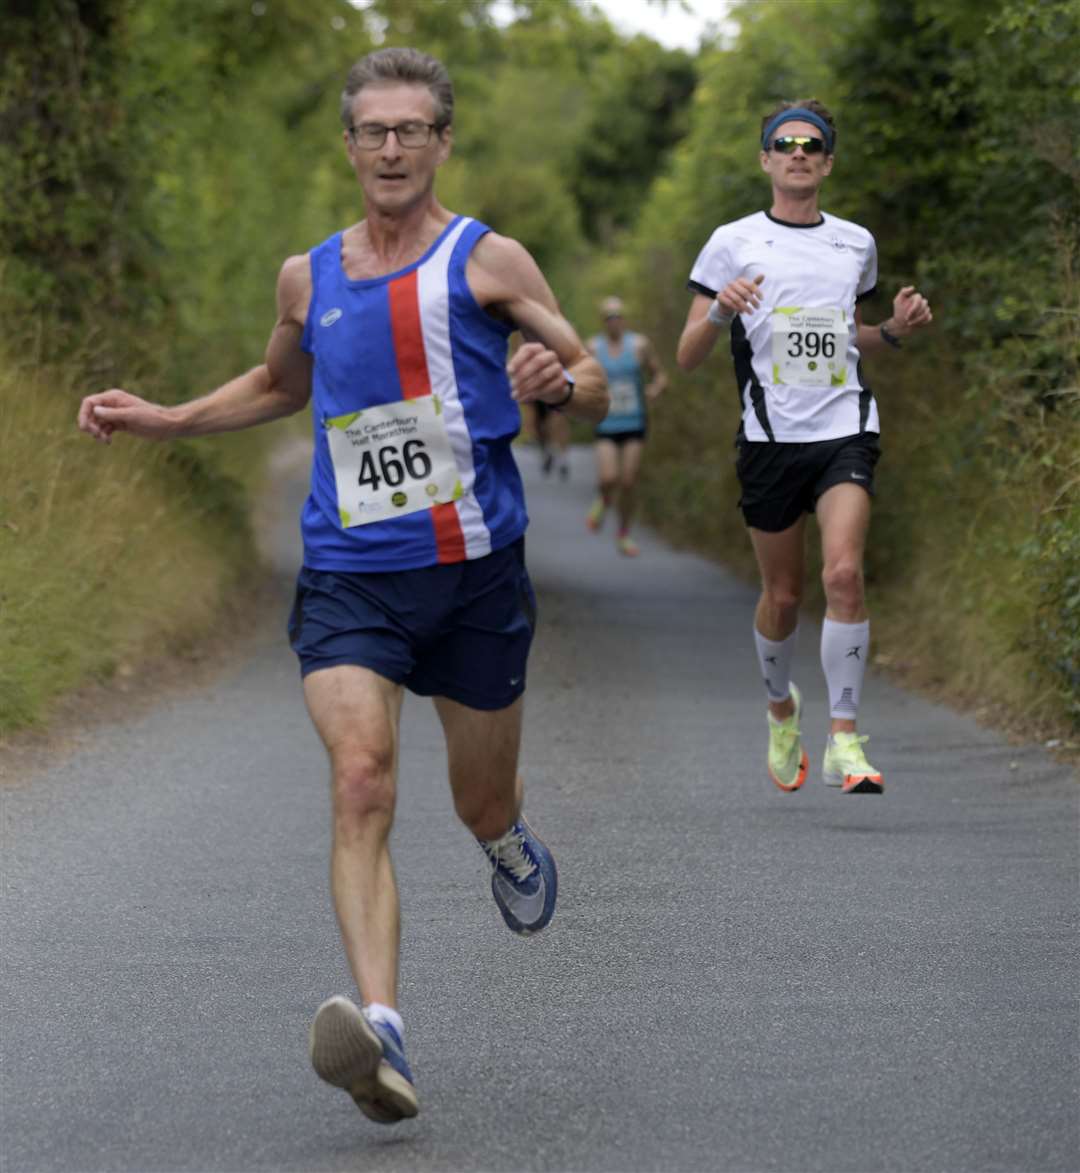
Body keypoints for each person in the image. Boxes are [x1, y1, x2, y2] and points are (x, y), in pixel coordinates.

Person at [77, 47, 607, 1124]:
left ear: (443, 141)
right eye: (374, 130)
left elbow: (587, 374)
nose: (393, 148)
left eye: (413, 129)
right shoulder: (307, 276)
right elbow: (281, 382)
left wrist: (564, 380)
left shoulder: (489, 260)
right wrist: (169, 418)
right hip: (350, 575)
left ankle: (505, 841)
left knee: (478, 798)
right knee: (361, 778)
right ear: (352, 144)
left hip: (473, 578)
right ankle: (382, 1031)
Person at [676, 99, 931, 795]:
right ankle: (780, 707)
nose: (798, 152)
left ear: (826, 161)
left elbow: (854, 336)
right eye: (784, 143)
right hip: (769, 439)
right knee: (783, 596)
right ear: (765, 158)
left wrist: (898, 329)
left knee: (843, 575)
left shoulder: (854, 243)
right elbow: (688, 353)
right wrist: (722, 308)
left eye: (811, 144)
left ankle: (845, 735)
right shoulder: (732, 241)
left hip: (844, 428)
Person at [585, 296, 667, 556]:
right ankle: (604, 499)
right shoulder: (592, 347)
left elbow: (660, 374)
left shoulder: (640, 345)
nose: (614, 321)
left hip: (634, 422)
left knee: (628, 481)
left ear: (624, 319)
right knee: (609, 477)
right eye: (609, 317)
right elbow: (582, 379)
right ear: (603, 321)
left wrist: (655, 389)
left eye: (618, 315)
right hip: (606, 422)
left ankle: (623, 534)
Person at [532, 398, 571, 479]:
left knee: (557, 418)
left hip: (557, 389)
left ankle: (562, 457)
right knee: (538, 422)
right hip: (536, 392)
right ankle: (548, 452)